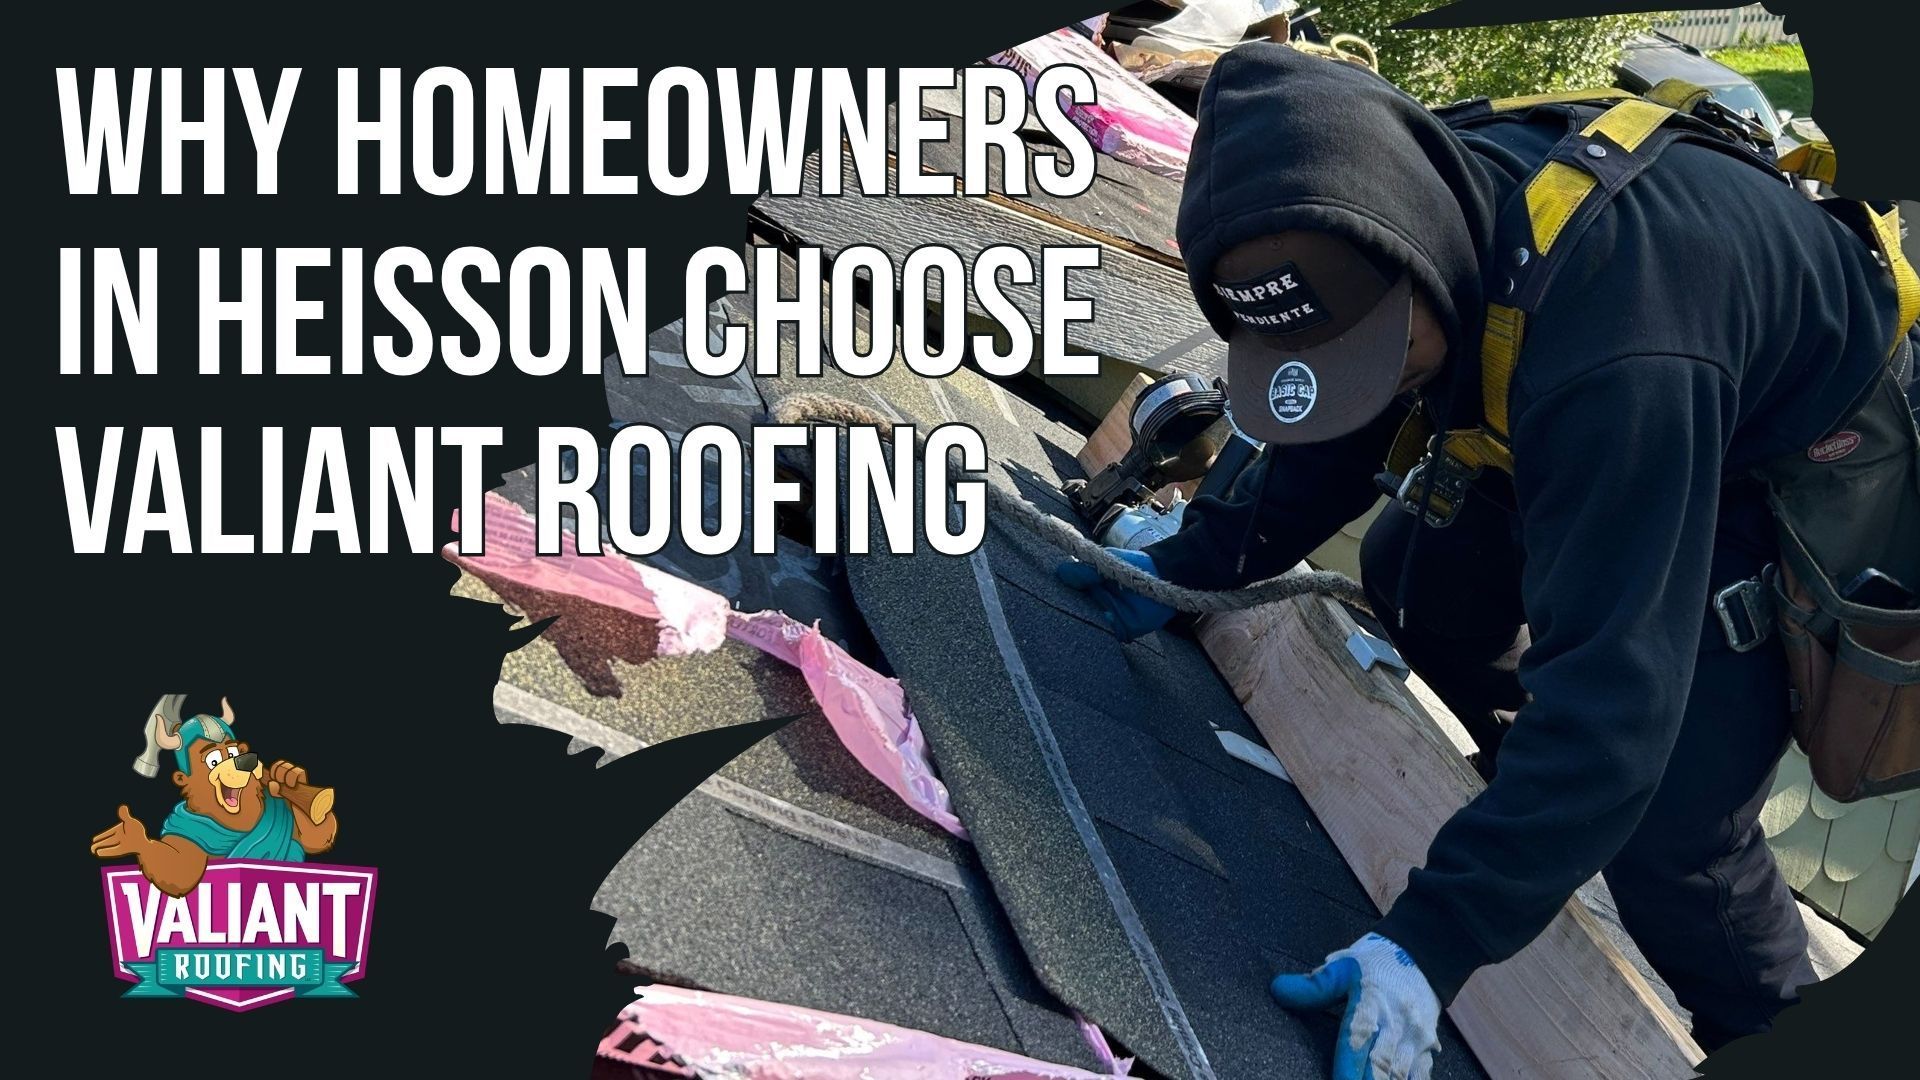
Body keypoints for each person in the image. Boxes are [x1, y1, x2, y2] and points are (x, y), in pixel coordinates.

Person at [1060, 42, 1915, 1080]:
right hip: (1620, 382)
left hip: (1781, 446)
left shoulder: (1614, 344)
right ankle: (1536, 812)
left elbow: (1615, 707)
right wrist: (1196, 560)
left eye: (1375, 355)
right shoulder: (1390, 220)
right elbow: (1337, 426)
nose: (1356, 385)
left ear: (1419, 257)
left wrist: (1429, 946)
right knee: (1418, 573)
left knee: (1671, 821)